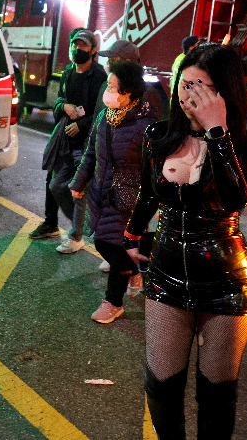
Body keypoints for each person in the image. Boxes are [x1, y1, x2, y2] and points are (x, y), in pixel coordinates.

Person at [124, 43, 247, 439]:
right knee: (162, 389)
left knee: (218, 397)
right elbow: (148, 192)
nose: (189, 96)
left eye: (201, 88)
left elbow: (235, 197)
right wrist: (133, 233)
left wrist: (217, 132)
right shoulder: (159, 134)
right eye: (185, 84)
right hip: (165, 276)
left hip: (226, 283)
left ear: (224, 94)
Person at [70, 60, 157, 323]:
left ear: (127, 91)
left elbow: (153, 170)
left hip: (129, 199)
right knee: (102, 242)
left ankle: (113, 302)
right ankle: (133, 271)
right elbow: (91, 155)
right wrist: (78, 182)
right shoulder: (104, 117)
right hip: (101, 191)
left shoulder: (146, 126)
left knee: (114, 246)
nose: (106, 90)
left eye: (111, 85)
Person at [30, 29, 105, 256]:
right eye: (74, 44)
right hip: (64, 140)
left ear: (93, 50)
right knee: (54, 183)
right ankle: (59, 224)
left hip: (86, 143)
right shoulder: (68, 72)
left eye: (82, 46)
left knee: (78, 189)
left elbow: (101, 113)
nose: (76, 49)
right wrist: (64, 106)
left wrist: (81, 125)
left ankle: (77, 233)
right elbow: (58, 103)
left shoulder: (99, 77)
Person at [96, 39, 169, 120]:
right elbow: (97, 120)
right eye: (108, 59)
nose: (108, 63)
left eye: (113, 60)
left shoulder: (147, 93)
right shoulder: (105, 86)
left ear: (128, 63)